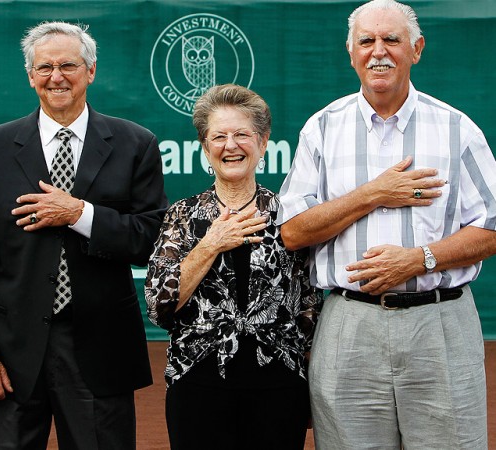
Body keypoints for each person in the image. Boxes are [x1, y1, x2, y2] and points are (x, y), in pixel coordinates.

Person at [277, 0, 496, 448]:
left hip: (440, 324)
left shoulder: (457, 129)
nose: (379, 51)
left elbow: (492, 226)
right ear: (351, 52)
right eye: (367, 41)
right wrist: (373, 193)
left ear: (416, 49)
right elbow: (293, 230)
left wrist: (419, 260)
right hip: (348, 324)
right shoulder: (321, 128)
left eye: (392, 40)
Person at [0, 21, 168, 450]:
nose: (57, 76)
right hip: (10, 351)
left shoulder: (134, 143)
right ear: (30, 76)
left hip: (99, 349)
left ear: (90, 71)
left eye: (68, 65)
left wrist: (80, 213)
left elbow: (150, 239)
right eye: (45, 67)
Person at [145, 84, 321, 450]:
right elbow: (160, 306)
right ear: (205, 148)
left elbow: (310, 305)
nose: (231, 145)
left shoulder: (290, 217)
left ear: (263, 143)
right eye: (219, 137)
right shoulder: (182, 215)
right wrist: (211, 243)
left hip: (278, 385)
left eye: (242, 134)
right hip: (197, 383)